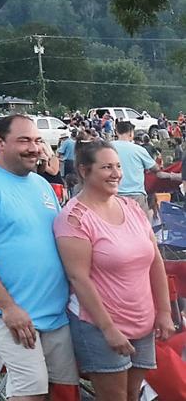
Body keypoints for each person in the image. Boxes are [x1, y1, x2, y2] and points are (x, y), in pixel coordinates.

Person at [0, 114, 76, 401]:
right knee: (30, 391)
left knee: (62, 392)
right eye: (24, 140)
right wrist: (7, 307)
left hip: (55, 313)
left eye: (37, 140)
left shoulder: (41, 185)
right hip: (12, 312)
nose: (34, 148)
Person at [54, 140, 172, 401]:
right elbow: (79, 278)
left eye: (118, 166)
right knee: (114, 397)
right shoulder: (74, 218)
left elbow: (155, 261)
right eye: (106, 167)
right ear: (85, 171)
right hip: (99, 324)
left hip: (142, 320)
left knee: (133, 394)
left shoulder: (131, 208)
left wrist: (163, 312)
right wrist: (108, 329)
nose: (116, 173)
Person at [110, 121, 157, 215]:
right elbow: (155, 168)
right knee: (139, 226)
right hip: (136, 195)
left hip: (113, 194)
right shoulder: (139, 150)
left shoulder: (107, 147)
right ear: (131, 133)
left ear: (116, 132)